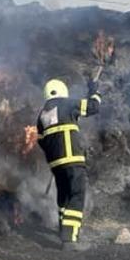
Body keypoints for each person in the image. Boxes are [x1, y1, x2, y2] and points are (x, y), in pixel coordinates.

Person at [36, 77, 101, 247]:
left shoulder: (42, 115)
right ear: (63, 91)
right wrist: (94, 91)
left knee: (63, 198)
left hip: (56, 164)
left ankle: (63, 230)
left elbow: (42, 142)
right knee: (77, 195)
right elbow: (93, 107)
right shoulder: (67, 104)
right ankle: (69, 239)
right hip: (72, 159)